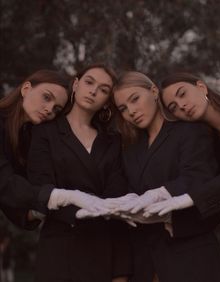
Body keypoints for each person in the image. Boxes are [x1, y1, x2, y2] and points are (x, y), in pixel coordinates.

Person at [110, 71, 220, 282]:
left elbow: (199, 176)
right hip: (145, 263)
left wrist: (162, 193)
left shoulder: (190, 131)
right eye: (123, 108)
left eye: (135, 99)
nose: (131, 111)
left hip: (191, 256)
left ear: (154, 92)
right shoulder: (129, 150)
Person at [27, 64, 132, 282]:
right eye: (89, 82)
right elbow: (41, 188)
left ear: (107, 101)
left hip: (102, 249)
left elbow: (117, 200)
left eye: (103, 90)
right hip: (60, 249)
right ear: (75, 84)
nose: (94, 91)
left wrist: (121, 271)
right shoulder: (45, 132)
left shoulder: (113, 141)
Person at [0, 69, 105, 228]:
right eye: (46, 97)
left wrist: (34, 213)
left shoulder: (26, 138)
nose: (49, 109)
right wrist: (59, 196)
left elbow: (13, 201)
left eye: (56, 109)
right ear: (26, 89)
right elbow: (5, 184)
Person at [144, 72, 220, 218]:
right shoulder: (210, 144)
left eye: (182, 94)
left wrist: (190, 198)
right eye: (173, 107)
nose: (182, 105)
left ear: (201, 87)